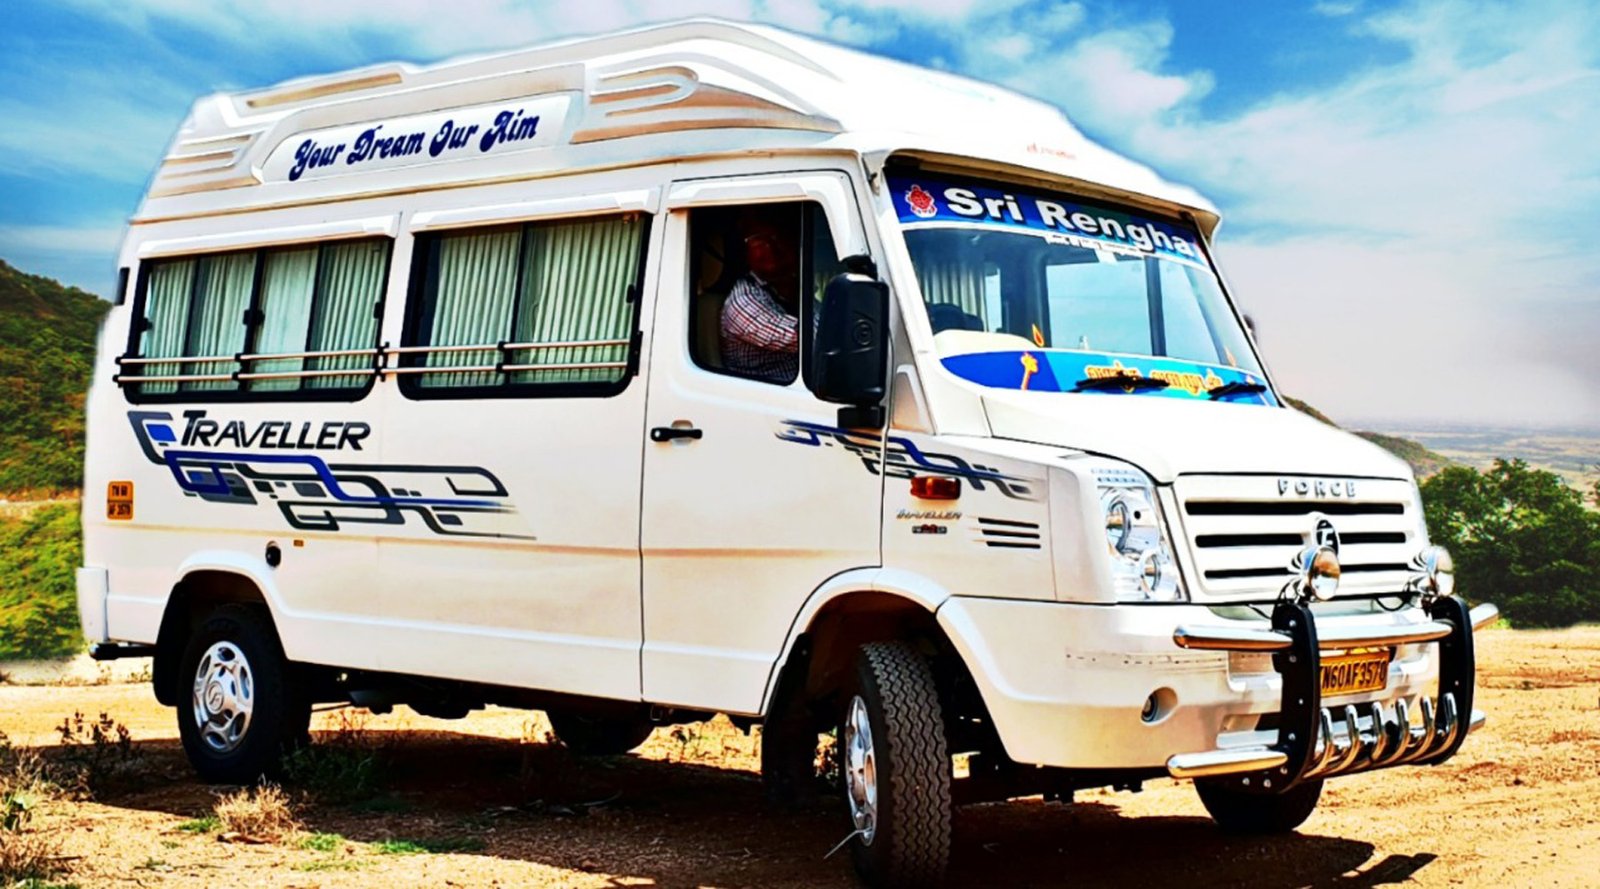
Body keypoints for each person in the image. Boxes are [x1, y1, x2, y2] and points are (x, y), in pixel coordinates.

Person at [720, 215, 801, 383]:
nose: (771, 246)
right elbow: (809, 339)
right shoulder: (743, 302)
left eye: (776, 237)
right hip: (767, 399)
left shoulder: (778, 287)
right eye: (759, 240)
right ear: (741, 251)